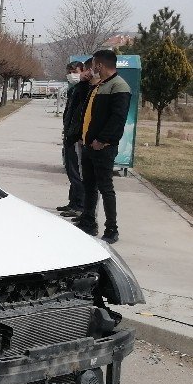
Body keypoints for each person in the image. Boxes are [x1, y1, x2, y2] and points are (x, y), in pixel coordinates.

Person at [72, 49, 131, 243]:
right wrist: (83, 82)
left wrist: (102, 140)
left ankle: (111, 229)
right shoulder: (98, 85)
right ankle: (88, 222)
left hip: (103, 147)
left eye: (94, 65)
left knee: (106, 188)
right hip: (89, 144)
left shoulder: (119, 86)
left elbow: (118, 118)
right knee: (89, 185)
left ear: (99, 65)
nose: (92, 69)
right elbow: (82, 106)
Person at [57, 61, 89, 217]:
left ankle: (80, 206)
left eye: (74, 70)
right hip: (69, 134)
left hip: (77, 136)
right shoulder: (74, 88)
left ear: (83, 70)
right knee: (70, 170)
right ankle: (73, 203)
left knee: (77, 172)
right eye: (69, 71)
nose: (71, 74)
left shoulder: (85, 88)